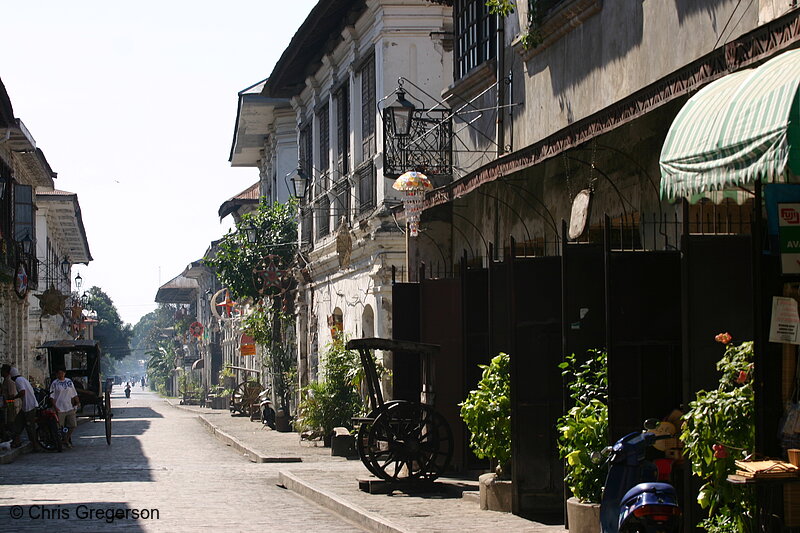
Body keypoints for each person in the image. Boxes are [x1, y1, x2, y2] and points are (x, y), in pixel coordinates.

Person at [0, 365, 40, 451]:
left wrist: (13, 398)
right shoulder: (23, 379)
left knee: (30, 427)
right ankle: (16, 441)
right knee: (17, 424)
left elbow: (22, 392)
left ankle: (35, 446)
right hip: (26, 407)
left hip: (29, 407)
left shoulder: (18, 381)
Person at [49, 368, 79, 448]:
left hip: (69, 407)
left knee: (73, 425)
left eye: (62, 373)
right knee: (60, 427)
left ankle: (66, 439)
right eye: (59, 373)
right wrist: (55, 407)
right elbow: (52, 396)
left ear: (64, 373)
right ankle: (61, 441)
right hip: (59, 408)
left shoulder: (69, 382)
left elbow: (74, 393)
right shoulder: (54, 383)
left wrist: (77, 402)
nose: (61, 375)